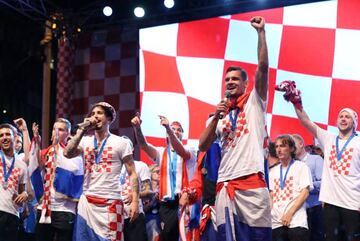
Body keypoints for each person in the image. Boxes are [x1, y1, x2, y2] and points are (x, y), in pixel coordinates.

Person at [198, 16, 271, 240]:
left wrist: (261, 33)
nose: (230, 82)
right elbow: (202, 144)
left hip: (251, 180)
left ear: (245, 84)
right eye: (227, 79)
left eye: (235, 79)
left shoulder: (255, 101)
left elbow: (263, 66)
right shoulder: (219, 113)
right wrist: (216, 116)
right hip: (225, 184)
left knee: (257, 236)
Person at [64, 102, 139, 241]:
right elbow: (67, 153)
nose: (94, 116)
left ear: (109, 119)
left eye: (99, 113)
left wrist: (135, 200)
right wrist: (81, 130)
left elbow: (132, 173)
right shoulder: (85, 141)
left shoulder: (120, 143)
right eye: (92, 114)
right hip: (87, 202)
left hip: (110, 202)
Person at [290, 101, 360, 241]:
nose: (343, 119)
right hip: (330, 204)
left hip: (353, 204)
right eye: (341, 116)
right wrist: (296, 102)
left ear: (354, 122)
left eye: (347, 117)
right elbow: (306, 121)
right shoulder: (328, 138)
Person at [131, 113, 196, 241]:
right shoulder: (161, 152)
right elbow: (144, 146)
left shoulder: (190, 149)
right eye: (173, 129)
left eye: (179, 130)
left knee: (187, 236)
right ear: (166, 135)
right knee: (168, 236)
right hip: (166, 203)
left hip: (185, 199)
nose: (175, 131)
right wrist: (137, 128)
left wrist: (168, 129)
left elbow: (181, 151)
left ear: (182, 135)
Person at [29, 118, 83, 241]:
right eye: (54, 129)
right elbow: (36, 166)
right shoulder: (47, 151)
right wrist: (36, 142)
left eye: (61, 129)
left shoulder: (76, 154)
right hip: (45, 207)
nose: (56, 132)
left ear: (68, 134)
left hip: (65, 209)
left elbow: (76, 174)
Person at [269, 134, 313, 241]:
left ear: (292, 148)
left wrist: (290, 213)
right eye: (277, 146)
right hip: (276, 223)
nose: (279, 149)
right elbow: (271, 195)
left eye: (283, 146)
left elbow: (305, 193)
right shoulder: (272, 171)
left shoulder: (301, 167)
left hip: (296, 221)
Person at [119, 136, 153, 241]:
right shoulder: (113, 168)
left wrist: (134, 196)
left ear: (132, 149)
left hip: (134, 215)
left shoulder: (140, 166)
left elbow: (150, 192)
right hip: (114, 216)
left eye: (126, 146)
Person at [292, 134, 324, 241]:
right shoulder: (292, 164)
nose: (291, 148)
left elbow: (323, 183)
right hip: (297, 209)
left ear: (301, 144)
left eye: (293, 144)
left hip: (314, 207)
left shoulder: (316, 159)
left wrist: (306, 185)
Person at [0, 123, 29, 241]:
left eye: (7, 134)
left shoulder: (21, 165)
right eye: (1, 135)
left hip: (12, 214)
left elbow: (23, 191)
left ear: (15, 137)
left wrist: (25, 195)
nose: (4, 137)